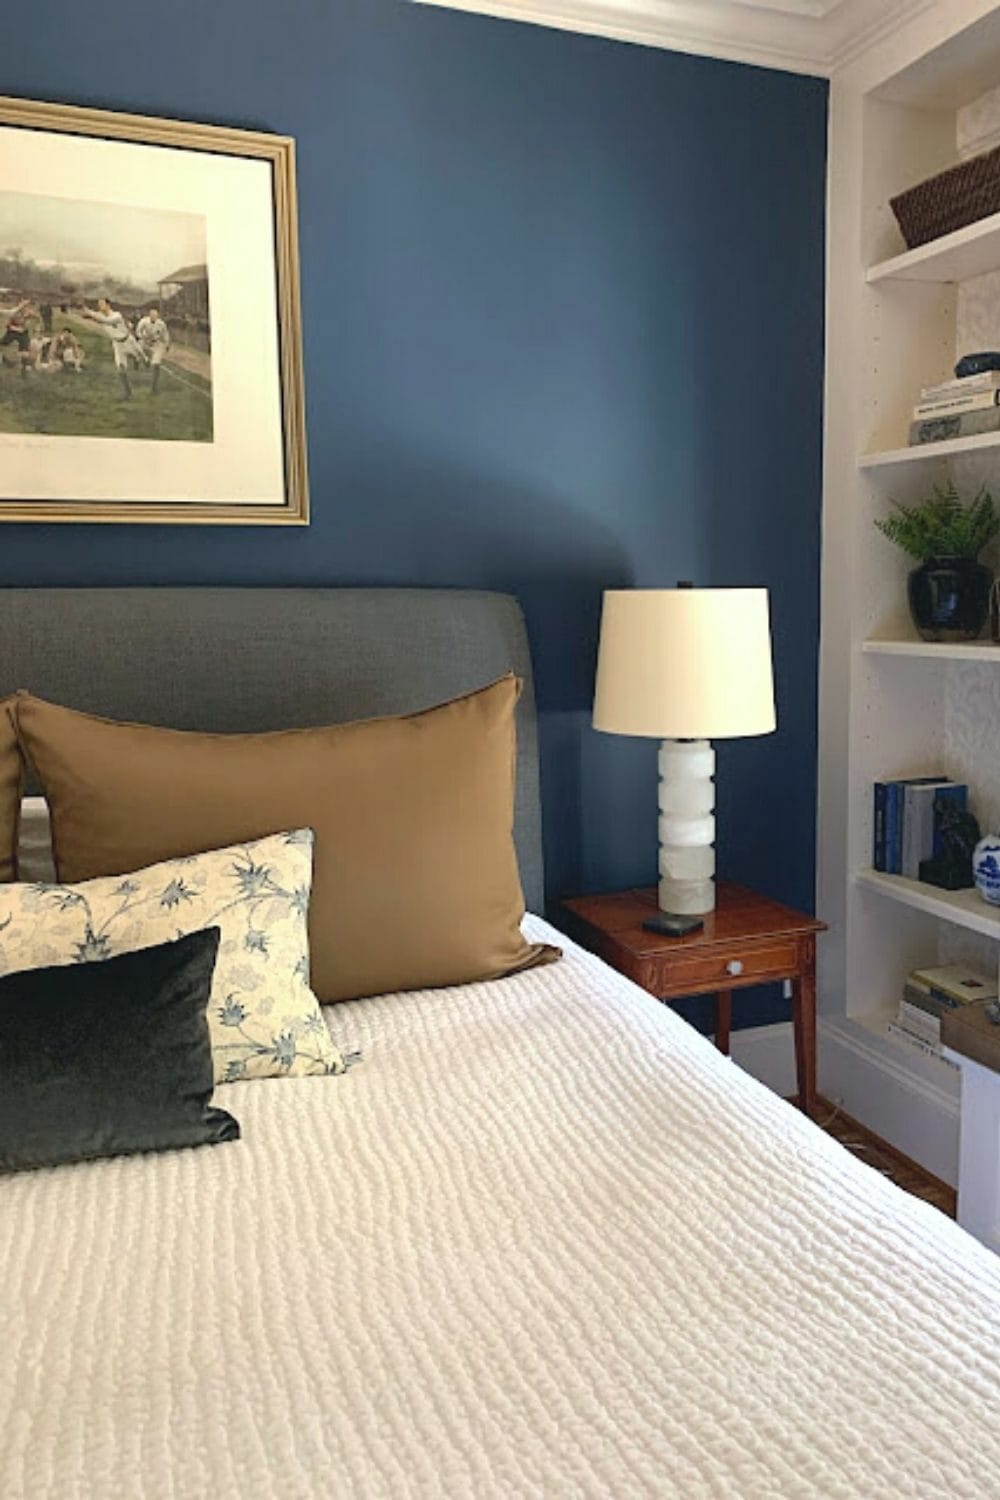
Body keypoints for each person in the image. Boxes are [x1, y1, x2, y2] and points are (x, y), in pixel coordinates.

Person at [80, 297, 143, 398]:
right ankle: (128, 393)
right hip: (117, 344)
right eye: (99, 304)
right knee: (121, 369)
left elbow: (107, 321)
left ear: (108, 305)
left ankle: (142, 359)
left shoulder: (116, 315)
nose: (100, 306)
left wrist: (90, 313)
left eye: (102, 304)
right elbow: (96, 318)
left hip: (128, 341)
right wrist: (86, 312)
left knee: (141, 357)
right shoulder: (100, 315)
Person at [136, 305, 170, 393]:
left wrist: (167, 344)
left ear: (158, 316)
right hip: (144, 342)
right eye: (152, 315)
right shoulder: (143, 321)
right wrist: (144, 337)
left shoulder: (161, 324)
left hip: (156, 344)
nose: (153, 317)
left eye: (155, 315)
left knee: (156, 364)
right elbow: (138, 332)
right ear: (149, 315)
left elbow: (165, 334)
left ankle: (154, 387)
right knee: (139, 354)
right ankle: (142, 360)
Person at [0, 299, 37, 377]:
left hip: (23, 333)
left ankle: (24, 369)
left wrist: (30, 319)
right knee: (2, 344)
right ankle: (5, 360)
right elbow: (8, 324)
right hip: (12, 331)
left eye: (26, 306)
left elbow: (35, 317)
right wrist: (16, 329)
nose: (25, 307)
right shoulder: (14, 313)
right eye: (24, 305)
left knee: (24, 351)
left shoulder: (28, 313)